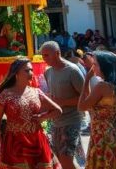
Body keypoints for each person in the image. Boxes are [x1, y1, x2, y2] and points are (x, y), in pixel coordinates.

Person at [0, 57, 61, 169]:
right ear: (16, 73)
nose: (31, 73)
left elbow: (58, 110)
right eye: (26, 70)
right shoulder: (5, 94)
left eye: (31, 70)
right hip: (15, 142)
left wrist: (42, 117)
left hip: (37, 140)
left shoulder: (36, 92)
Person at [78, 52, 116, 169]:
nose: (93, 67)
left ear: (104, 66)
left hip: (101, 136)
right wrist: (112, 114)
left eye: (95, 64)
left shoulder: (102, 86)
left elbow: (81, 107)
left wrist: (86, 80)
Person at [38, 41, 86, 169]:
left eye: (47, 55)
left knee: (66, 159)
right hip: (55, 122)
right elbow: (53, 98)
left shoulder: (72, 71)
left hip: (71, 120)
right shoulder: (48, 72)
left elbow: (85, 98)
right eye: (43, 55)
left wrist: (62, 102)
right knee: (60, 159)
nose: (44, 59)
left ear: (58, 53)